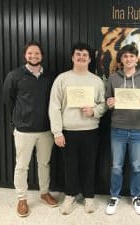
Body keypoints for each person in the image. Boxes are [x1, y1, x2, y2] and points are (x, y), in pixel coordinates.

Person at [49, 42, 106, 215]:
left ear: (90, 59)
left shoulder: (96, 81)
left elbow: (103, 104)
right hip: (68, 131)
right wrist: (57, 132)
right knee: (70, 166)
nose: (81, 57)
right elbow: (54, 106)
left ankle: (89, 197)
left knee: (90, 165)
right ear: (72, 57)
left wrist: (94, 111)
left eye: (85, 55)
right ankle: (70, 195)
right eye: (78, 54)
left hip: (91, 131)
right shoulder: (62, 78)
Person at [2, 41, 58, 217]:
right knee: (22, 166)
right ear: (25, 55)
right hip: (23, 130)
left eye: (37, 54)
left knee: (44, 164)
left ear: (42, 56)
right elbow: (8, 100)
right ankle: (22, 199)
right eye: (30, 54)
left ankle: (44, 193)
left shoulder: (50, 76)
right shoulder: (15, 75)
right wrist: (16, 123)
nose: (34, 56)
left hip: (45, 130)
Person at [105, 44, 140, 215]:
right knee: (116, 166)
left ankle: (136, 196)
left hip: (138, 130)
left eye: (132, 56)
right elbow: (107, 100)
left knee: (136, 166)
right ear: (121, 59)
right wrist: (109, 103)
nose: (128, 59)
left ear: (136, 58)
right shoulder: (113, 78)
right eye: (125, 56)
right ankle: (114, 196)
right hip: (117, 129)